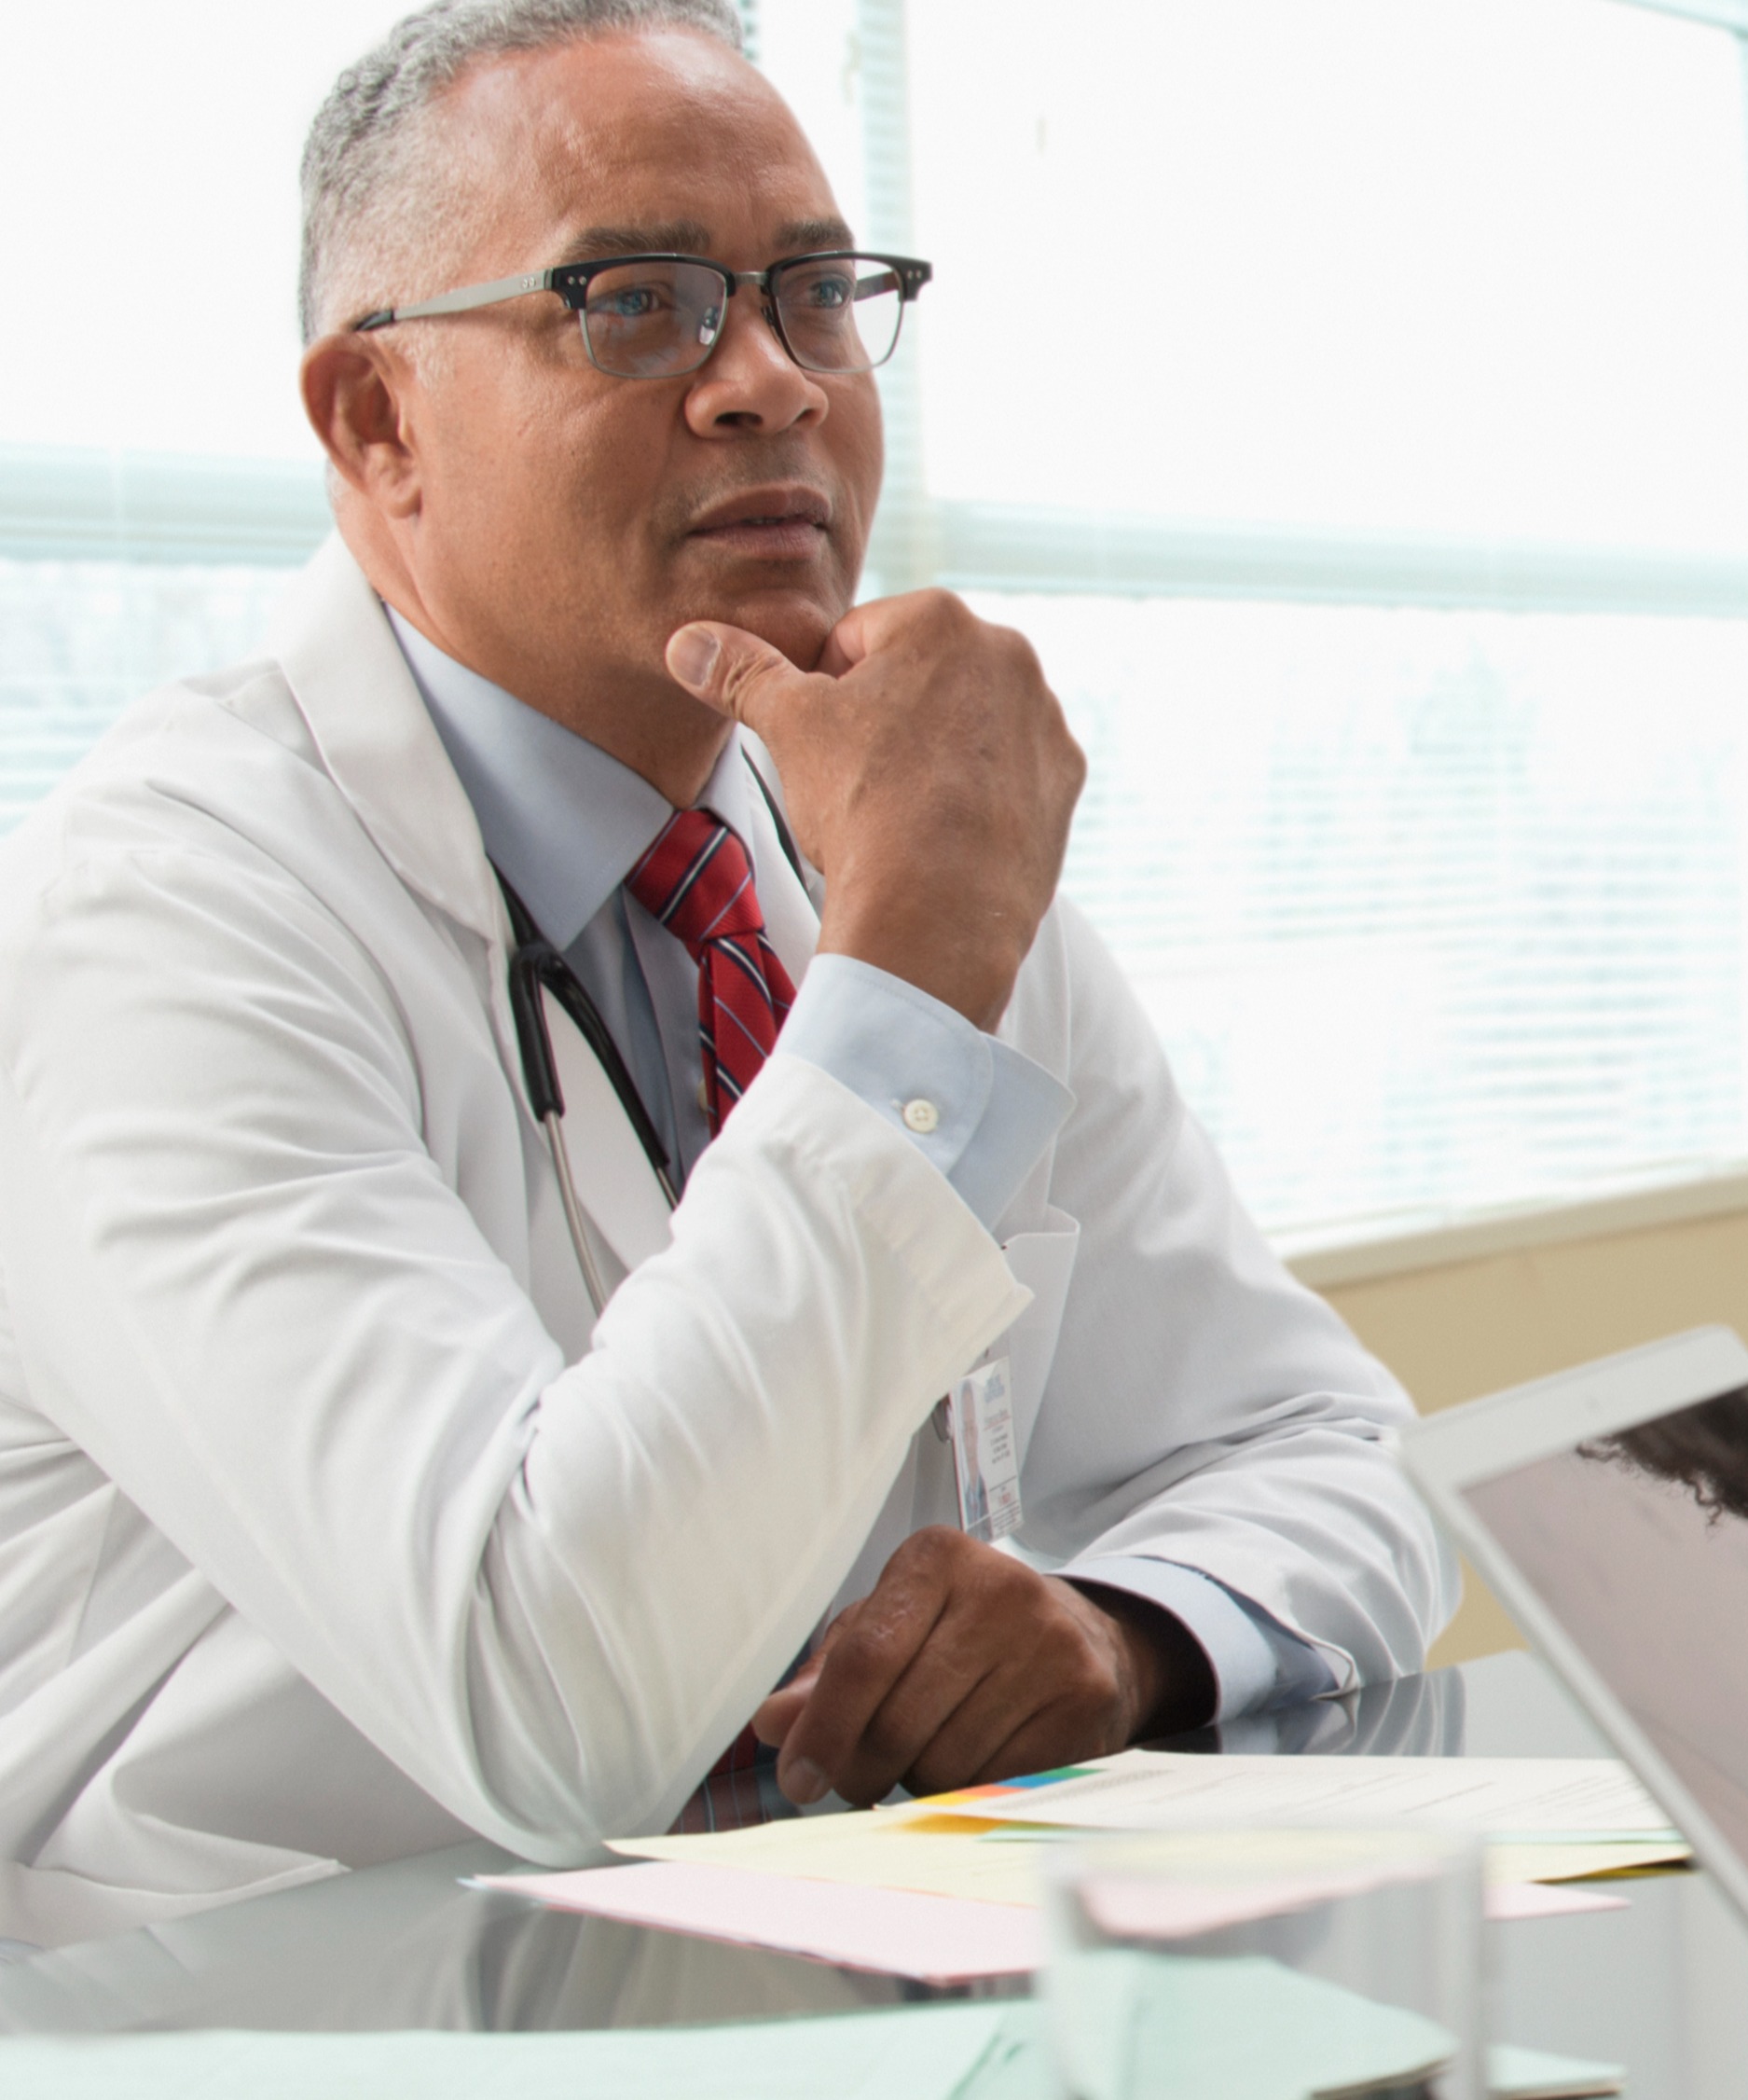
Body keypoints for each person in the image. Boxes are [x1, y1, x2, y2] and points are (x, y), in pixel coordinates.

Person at [0, 0, 1449, 1946]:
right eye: (638, 300)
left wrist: (1124, 1629)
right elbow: (552, 1694)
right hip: (285, 2014)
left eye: (818, 295)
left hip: (809, 1982)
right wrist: (910, 969)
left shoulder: (874, 835)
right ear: (375, 420)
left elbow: (1329, 1455)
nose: (768, 380)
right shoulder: (160, 917)